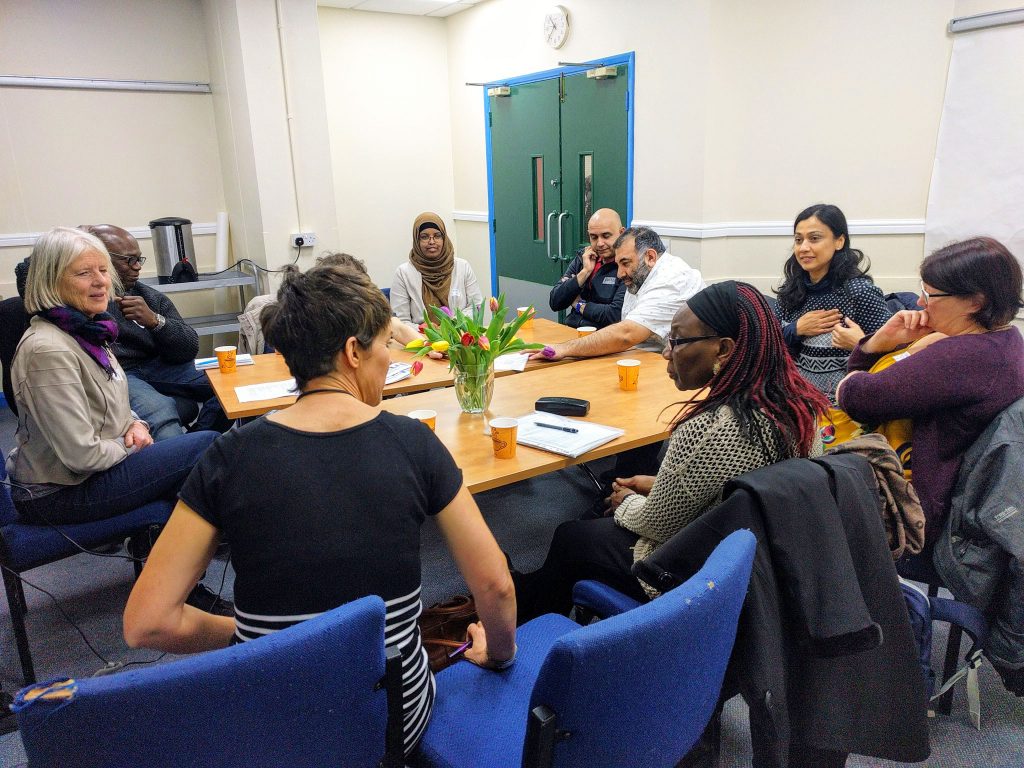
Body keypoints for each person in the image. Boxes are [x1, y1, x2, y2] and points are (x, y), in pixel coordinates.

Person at [123, 262, 517, 755]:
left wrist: (265, 638)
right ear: (354, 351)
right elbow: (495, 585)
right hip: (393, 723)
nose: (389, 358)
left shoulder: (228, 455)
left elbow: (146, 623)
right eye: (385, 346)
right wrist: (500, 656)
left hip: (272, 731)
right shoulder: (414, 443)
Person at [514, 281, 829, 620]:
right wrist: (659, 483)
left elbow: (657, 525)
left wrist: (627, 501)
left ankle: (521, 624)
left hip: (690, 571)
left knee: (571, 536)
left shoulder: (712, 429)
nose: (666, 352)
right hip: (758, 565)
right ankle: (528, 596)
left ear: (723, 349)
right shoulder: (800, 408)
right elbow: (735, 490)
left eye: (677, 341)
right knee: (592, 520)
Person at [5, 227, 225, 609]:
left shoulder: (86, 331)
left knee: (190, 469)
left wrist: (136, 424)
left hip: (87, 474)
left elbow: (118, 404)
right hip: (59, 492)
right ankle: (182, 591)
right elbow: (82, 456)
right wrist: (134, 445)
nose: (100, 282)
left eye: (103, 271)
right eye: (83, 273)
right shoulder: (48, 350)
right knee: (201, 449)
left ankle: (176, 588)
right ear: (51, 280)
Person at [836, 236, 1024, 544]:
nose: (921, 303)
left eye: (929, 294)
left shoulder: (962, 356)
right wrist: (900, 346)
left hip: (914, 512)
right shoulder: (1006, 341)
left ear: (975, 301)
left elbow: (856, 398)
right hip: (952, 499)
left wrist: (879, 345)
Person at [82, 224, 231, 440]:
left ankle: (199, 444)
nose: (137, 267)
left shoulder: (146, 296)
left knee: (231, 384)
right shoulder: (82, 298)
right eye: (128, 260)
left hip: (158, 367)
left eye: (138, 259)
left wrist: (155, 321)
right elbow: (29, 275)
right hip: (116, 373)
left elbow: (189, 348)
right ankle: (182, 463)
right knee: (160, 410)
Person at [773, 204, 892, 403]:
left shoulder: (858, 291)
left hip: (847, 405)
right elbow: (766, 344)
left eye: (814, 238)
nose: (803, 248)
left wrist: (861, 344)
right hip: (797, 401)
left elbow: (892, 356)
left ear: (839, 241)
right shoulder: (791, 289)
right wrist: (796, 329)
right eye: (798, 240)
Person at [530, 226, 704, 361]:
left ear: (650, 257)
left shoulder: (671, 280)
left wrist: (563, 349)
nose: (619, 274)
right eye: (618, 264)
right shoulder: (642, 274)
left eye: (625, 263)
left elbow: (626, 334)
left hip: (679, 368)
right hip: (644, 357)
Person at [391, 212, 483, 325]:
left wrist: (452, 325)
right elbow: (400, 322)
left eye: (437, 236)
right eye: (424, 237)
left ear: (444, 238)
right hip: (421, 339)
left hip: (459, 336)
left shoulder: (462, 267)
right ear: (416, 240)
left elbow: (476, 307)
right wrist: (425, 331)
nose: (432, 242)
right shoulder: (403, 273)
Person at [548, 208, 626, 329]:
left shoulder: (627, 265)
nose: (600, 243)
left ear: (621, 233)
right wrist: (584, 273)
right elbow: (555, 302)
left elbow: (614, 315)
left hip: (601, 337)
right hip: (571, 330)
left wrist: (578, 304)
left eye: (606, 236)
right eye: (594, 237)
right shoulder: (583, 258)